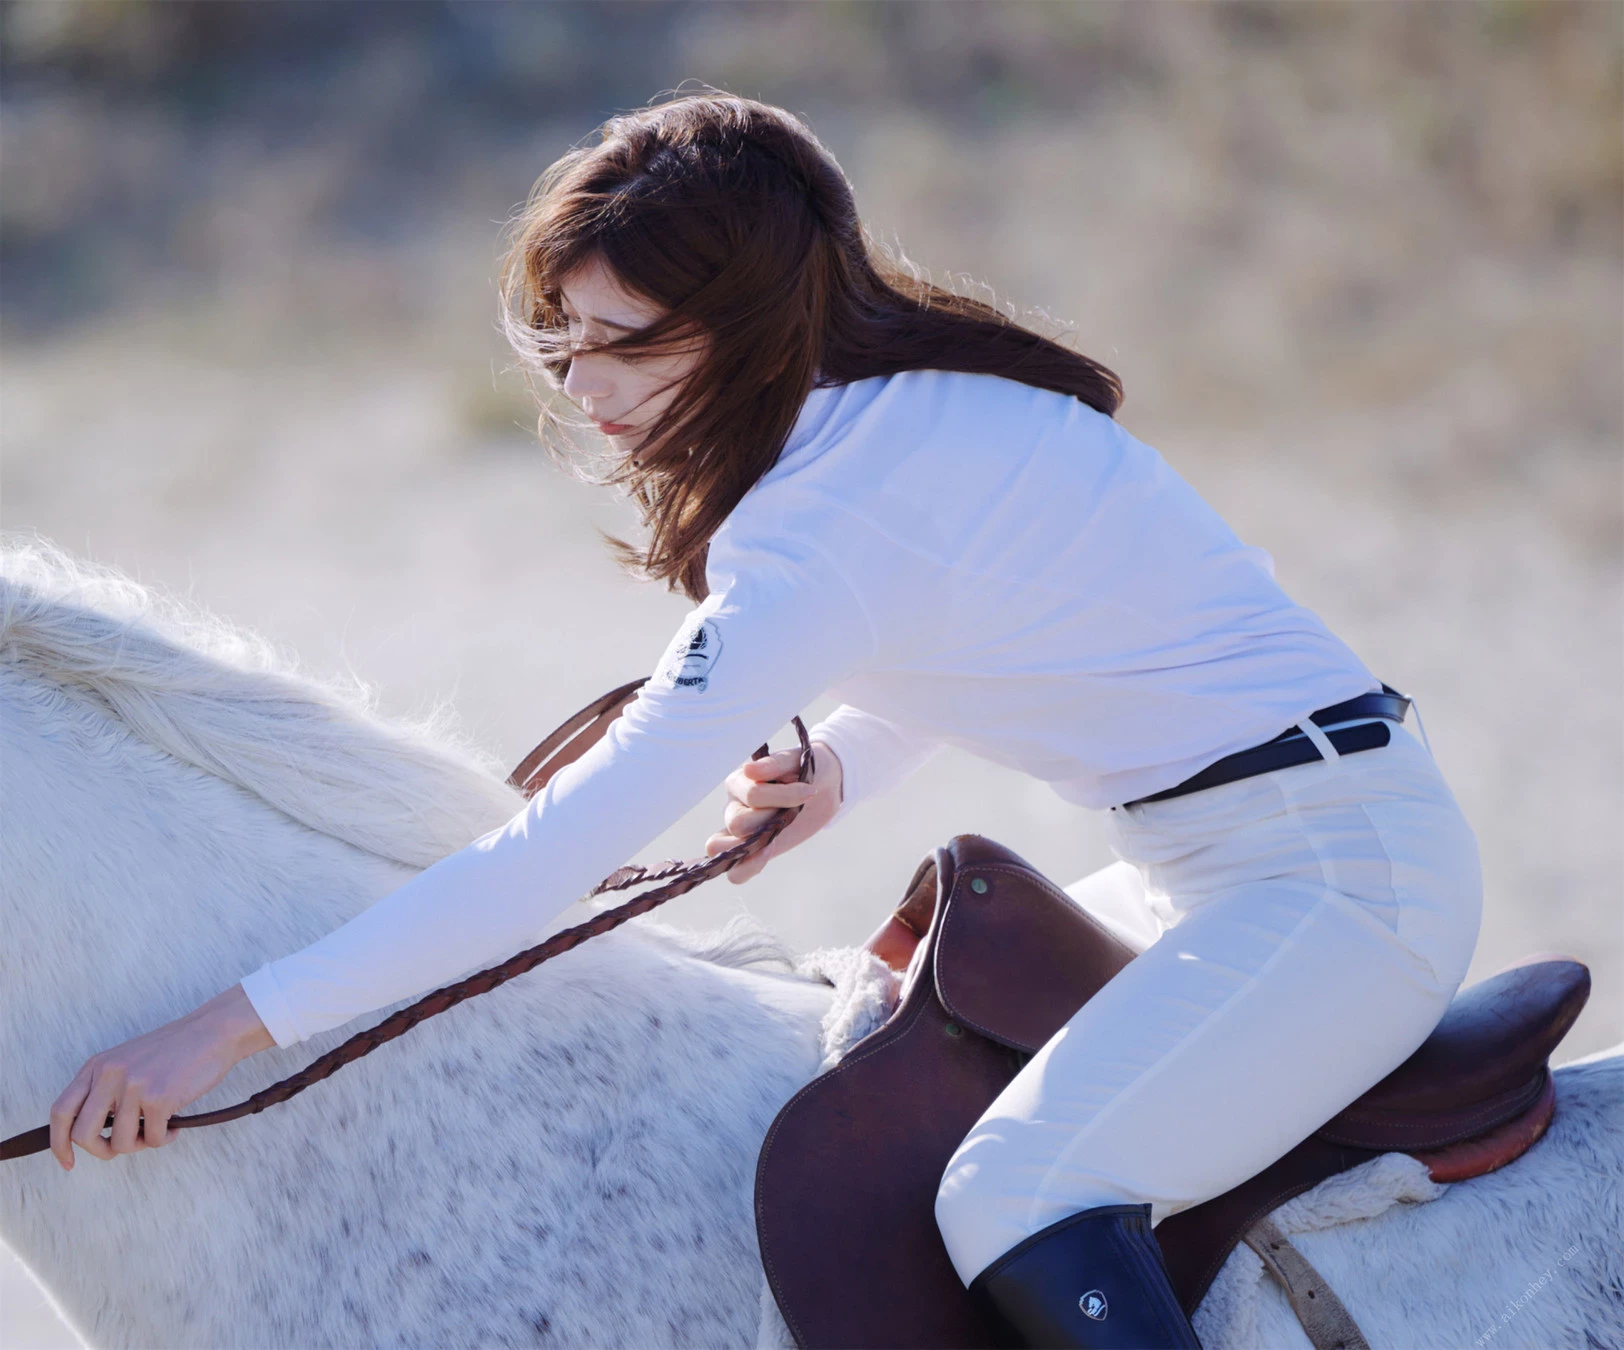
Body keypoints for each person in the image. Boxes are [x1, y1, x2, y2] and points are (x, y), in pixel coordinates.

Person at [50, 92, 1482, 1349]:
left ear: (738, 326)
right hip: (1251, 851)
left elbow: (559, 850)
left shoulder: (817, 536)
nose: (584, 386)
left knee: (1017, 1193)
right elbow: (1002, 624)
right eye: (563, 342)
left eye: (623, 343)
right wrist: (848, 763)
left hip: (1327, 882)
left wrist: (230, 1028)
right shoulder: (917, 403)